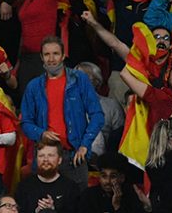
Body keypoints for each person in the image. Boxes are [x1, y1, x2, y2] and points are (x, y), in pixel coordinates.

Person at [20, 36, 104, 185]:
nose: (51, 59)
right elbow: (25, 122)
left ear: (63, 55)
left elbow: (97, 115)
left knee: (76, 206)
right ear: (41, 57)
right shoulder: (33, 86)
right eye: (47, 54)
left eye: (55, 53)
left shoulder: (79, 80)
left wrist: (85, 145)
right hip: (45, 157)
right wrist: (41, 133)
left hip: (74, 156)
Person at [13, 141, 82, 213]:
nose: (45, 159)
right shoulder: (24, 186)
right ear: (36, 160)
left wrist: (52, 210)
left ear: (59, 160)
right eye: (41, 156)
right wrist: (36, 211)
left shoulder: (71, 187)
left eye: (50, 155)